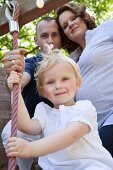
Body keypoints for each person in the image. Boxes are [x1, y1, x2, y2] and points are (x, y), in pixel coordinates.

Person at [6, 47, 113, 170]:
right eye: (50, 82)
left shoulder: (85, 107)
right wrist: (16, 92)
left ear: (77, 82)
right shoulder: (44, 111)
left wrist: (31, 148)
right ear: (43, 91)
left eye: (65, 79)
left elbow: (71, 135)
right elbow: (25, 126)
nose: (58, 86)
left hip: (89, 166)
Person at [1, 16, 61, 170]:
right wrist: (16, 78)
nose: (50, 40)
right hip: (29, 126)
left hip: (57, 127)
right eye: (44, 35)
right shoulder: (31, 62)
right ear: (35, 40)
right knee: (12, 134)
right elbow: (22, 81)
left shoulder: (68, 64)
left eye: (55, 34)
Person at [56, 2, 113, 157]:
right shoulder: (71, 60)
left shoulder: (106, 29)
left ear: (83, 17)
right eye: (65, 25)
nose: (71, 25)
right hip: (92, 125)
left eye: (73, 18)